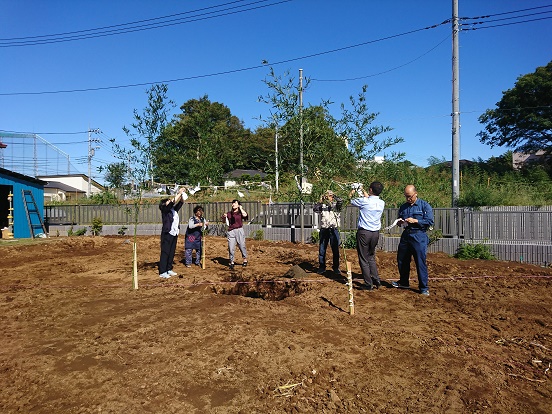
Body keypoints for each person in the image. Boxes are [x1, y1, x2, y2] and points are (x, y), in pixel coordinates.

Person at [392, 184, 434, 296]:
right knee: (402, 259)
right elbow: (400, 219)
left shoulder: (424, 206)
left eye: (410, 196)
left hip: (419, 235)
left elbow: (430, 221)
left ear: (415, 194)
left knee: (420, 261)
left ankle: (423, 288)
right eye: (406, 196)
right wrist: (400, 222)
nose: (408, 199)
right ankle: (404, 282)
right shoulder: (403, 207)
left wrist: (416, 221)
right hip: (406, 235)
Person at [349, 181, 385, 290]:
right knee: (371, 256)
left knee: (363, 258)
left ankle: (368, 284)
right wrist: (362, 189)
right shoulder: (381, 203)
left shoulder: (364, 201)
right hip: (375, 233)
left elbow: (350, 199)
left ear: (370, 190)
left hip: (364, 233)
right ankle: (376, 280)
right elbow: (368, 198)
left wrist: (354, 189)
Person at [158, 187, 185, 279]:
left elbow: (181, 202)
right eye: (168, 201)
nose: (170, 201)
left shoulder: (173, 210)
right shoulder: (165, 210)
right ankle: (162, 271)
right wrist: (179, 192)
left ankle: (169, 268)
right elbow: (173, 202)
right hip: (167, 233)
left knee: (172, 251)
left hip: (174, 233)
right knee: (165, 252)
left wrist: (182, 194)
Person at [313, 190, 343, 275]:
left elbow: (340, 201)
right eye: (327, 196)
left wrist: (334, 196)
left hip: (334, 229)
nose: (329, 197)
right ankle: (322, 267)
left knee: (335, 249)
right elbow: (315, 209)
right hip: (324, 229)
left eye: (330, 196)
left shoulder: (336, 205)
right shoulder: (322, 206)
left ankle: (336, 267)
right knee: (322, 249)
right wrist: (320, 200)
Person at [222, 199, 248, 270]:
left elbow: (245, 215)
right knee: (231, 247)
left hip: (239, 230)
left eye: (235, 203)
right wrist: (224, 217)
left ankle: (245, 259)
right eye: (233, 203)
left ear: (238, 205)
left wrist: (241, 208)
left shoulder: (240, 213)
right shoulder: (229, 213)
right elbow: (224, 221)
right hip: (231, 231)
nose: (233, 204)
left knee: (242, 245)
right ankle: (232, 261)